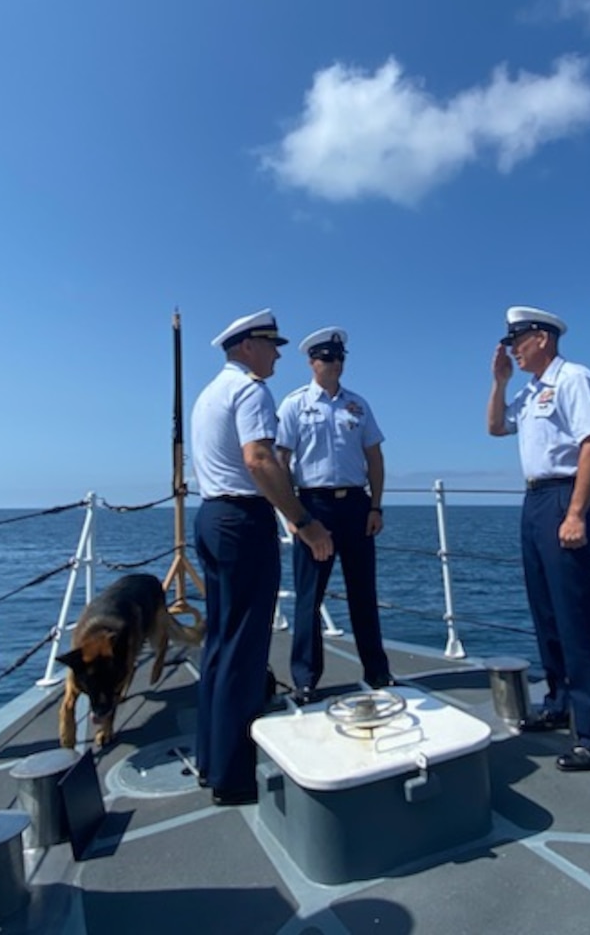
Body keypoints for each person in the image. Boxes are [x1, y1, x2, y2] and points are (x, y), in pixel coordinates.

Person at [190, 309, 333, 806]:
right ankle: (234, 777)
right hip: (242, 521)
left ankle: (211, 758)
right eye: (271, 345)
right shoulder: (251, 391)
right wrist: (302, 519)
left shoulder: (209, 394)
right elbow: (258, 459)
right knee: (245, 648)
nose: (277, 354)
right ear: (248, 345)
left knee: (220, 641)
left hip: (210, 518)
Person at [486, 306, 590, 771]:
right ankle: (561, 702)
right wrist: (500, 381)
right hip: (534, 501)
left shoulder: (574, 379)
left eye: (516, 341)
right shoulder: (530, 392)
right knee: (546, 612)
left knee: (577, 617)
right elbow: (494, 427)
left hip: (564, 496)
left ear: (542, 338)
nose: (512, 349)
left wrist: (576, 513)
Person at [275, 327, 391, 702]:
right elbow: (280, 460)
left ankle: (377, 672)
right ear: (312, 362)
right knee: (310, 596)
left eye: (339, 358)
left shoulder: (358, 405)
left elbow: (374, 456)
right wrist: (292, 514)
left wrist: (375, 505)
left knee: (363, 593)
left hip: (356, 505)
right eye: (327, 358)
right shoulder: (294, 404)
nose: (334, 364)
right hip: (314, 507)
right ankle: (305, 680)